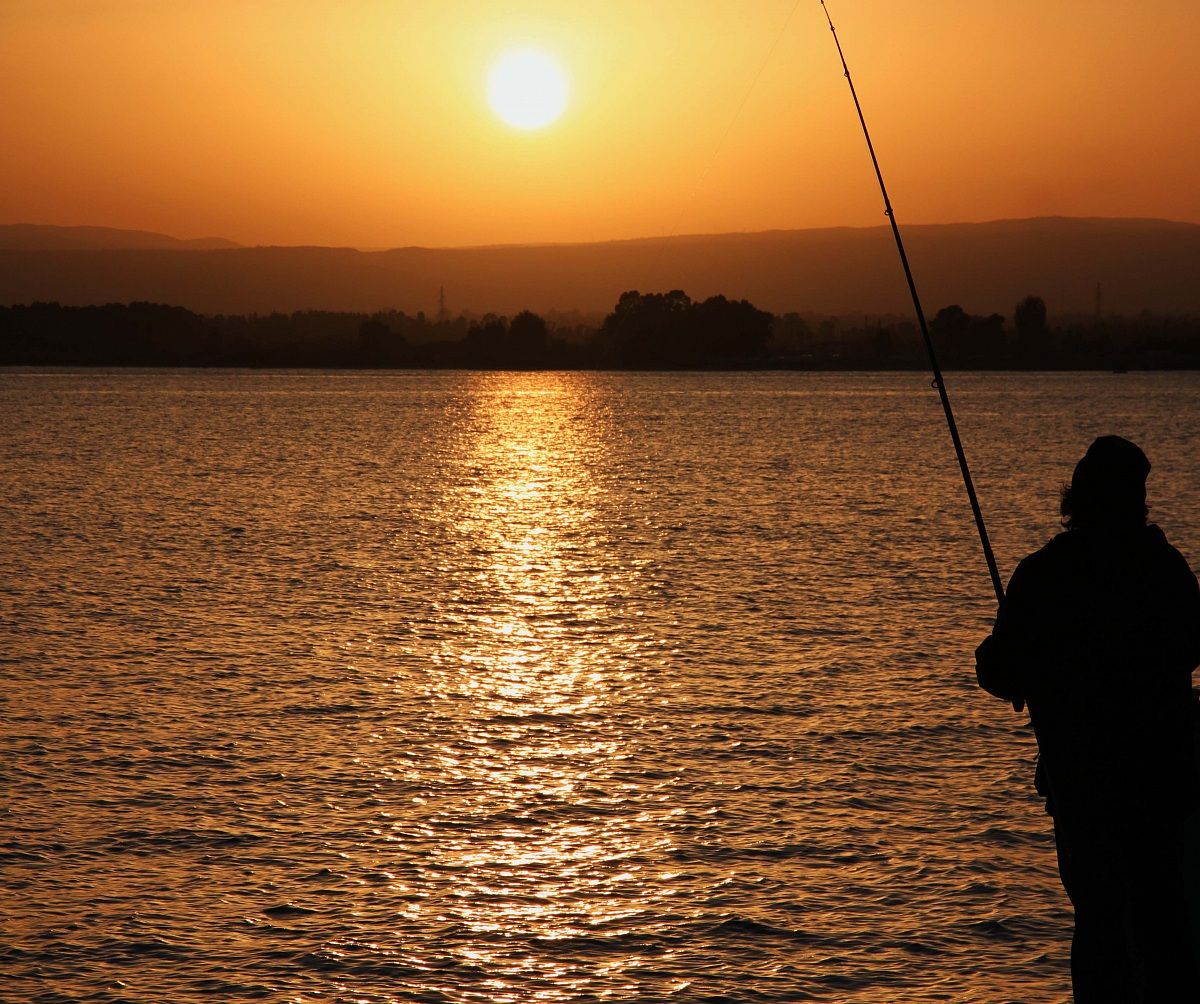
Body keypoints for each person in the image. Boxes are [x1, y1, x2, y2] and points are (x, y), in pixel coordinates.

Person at [975, 435, 1200, 1002]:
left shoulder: (1044, 574)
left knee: (1098, 920)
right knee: (1163, 916)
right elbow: (1192, 647)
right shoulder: (1165, 568)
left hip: (1081, 781)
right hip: (1161, 778)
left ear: (1076, 499)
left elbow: (998, 671)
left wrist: (1020, 667)